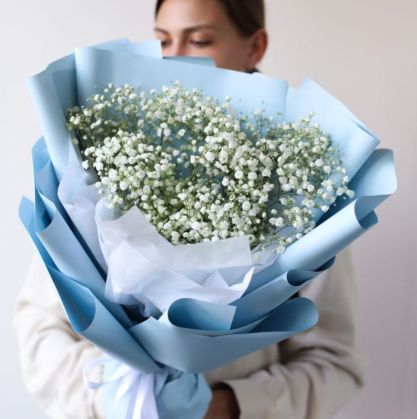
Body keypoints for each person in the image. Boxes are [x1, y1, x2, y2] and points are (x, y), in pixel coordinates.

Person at [14, 0, 367, 418]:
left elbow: (335, 363)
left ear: (255, 47)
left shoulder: (297, 191)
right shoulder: (105, 161)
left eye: (199, 40)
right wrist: (117, 397)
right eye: (163, 41)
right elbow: (41, 326)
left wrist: (226, 407)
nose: (174, 58)